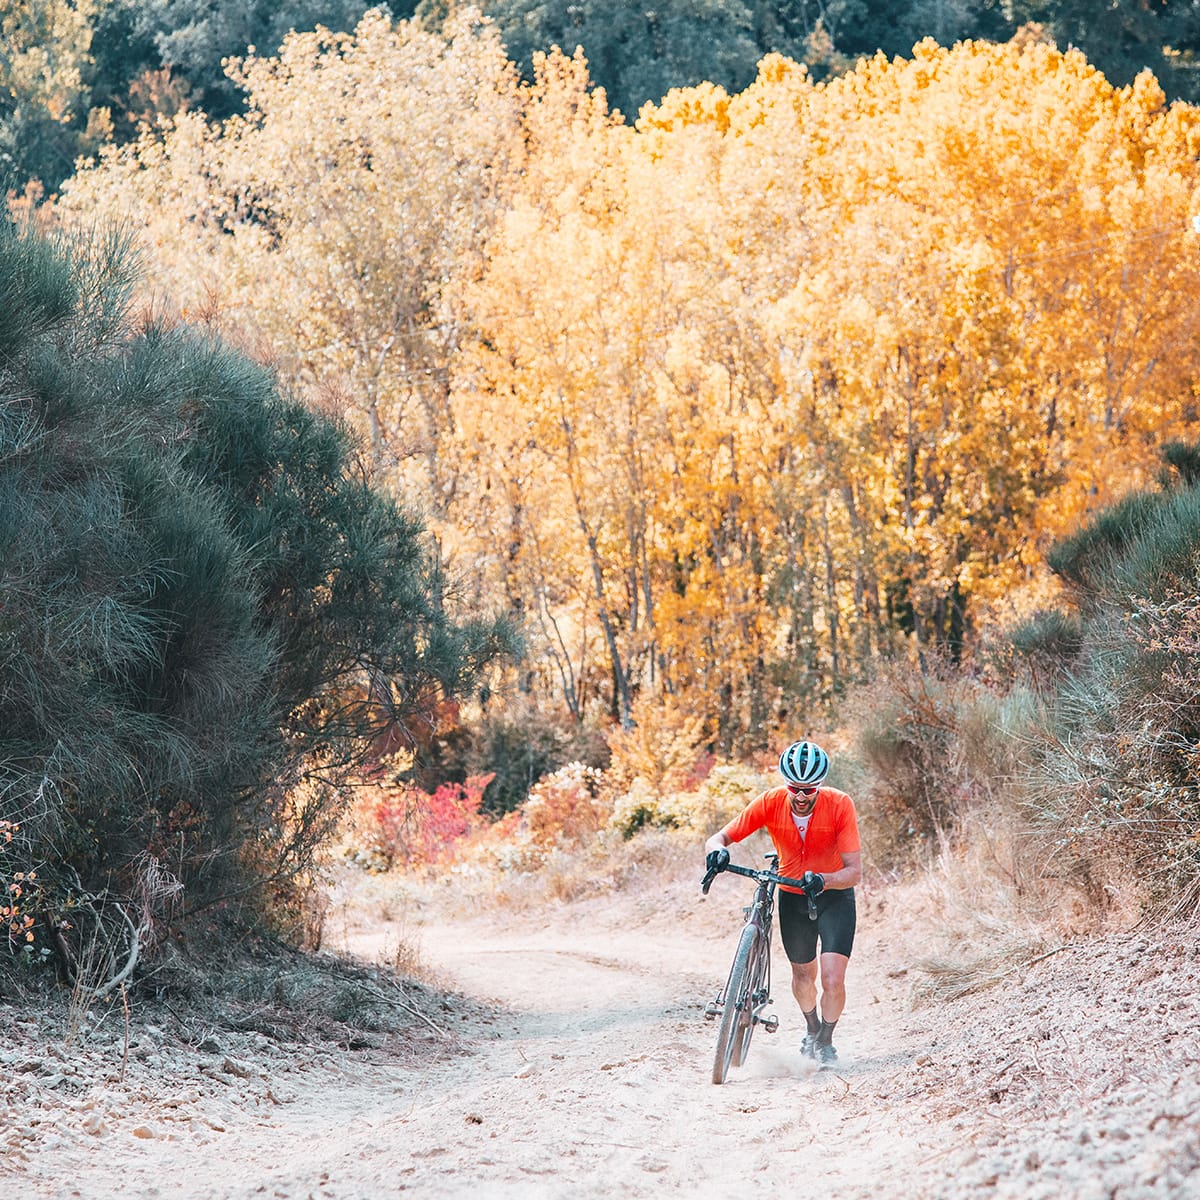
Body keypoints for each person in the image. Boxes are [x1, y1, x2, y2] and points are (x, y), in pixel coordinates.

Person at [704, 739, 862, 1067]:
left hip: (833, 896)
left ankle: (826, 1041)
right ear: (784, 783)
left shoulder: (840, 805)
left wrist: (825, 879)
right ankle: (812, 1028)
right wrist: (716, 851)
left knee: (832, 979)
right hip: (791, 894)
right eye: (795, 788)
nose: (802, 796)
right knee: (803, 977)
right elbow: (719, 837)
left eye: (810, 790)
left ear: (820, 787)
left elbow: (854, 872)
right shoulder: (770, 802)